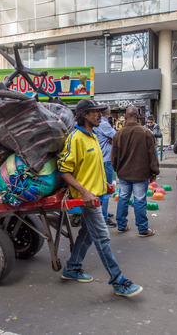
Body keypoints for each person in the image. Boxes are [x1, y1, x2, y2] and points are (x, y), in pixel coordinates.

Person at [58, 99, 143, 297]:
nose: (100, 115)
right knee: (103, 237)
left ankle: (72, 267)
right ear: (84, 115)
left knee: (87, 235)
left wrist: (104, 183)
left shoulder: (93, 136)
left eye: (100, 112)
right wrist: (84, 191)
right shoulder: (76, 138)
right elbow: (64, 170)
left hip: (96, 195)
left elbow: (94, 165)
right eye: (95, 112)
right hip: (86, 198)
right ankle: (118, 281)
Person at [112, 106, 159, 237]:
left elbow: (114, 158)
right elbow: (152, 155)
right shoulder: (146, 132)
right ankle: (143, 229)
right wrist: (154, 172)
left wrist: (118, 170)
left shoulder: (118, 134)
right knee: (139, 200)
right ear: (138, 117)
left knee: (123, 199)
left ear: (125, 117)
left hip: (124, 174)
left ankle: (121, 225)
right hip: (141, 173)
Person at [94, 106, 117, 227]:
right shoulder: (104, 123)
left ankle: (103, 213)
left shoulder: (97, 124)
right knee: (106, 190)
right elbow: (117, 137)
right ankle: (103, 218)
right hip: (106, 160)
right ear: (108, 113)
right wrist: (113, 139)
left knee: (101, 189)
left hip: (99, 160)